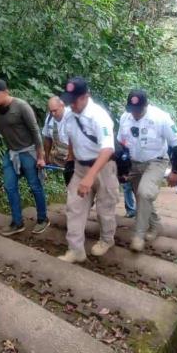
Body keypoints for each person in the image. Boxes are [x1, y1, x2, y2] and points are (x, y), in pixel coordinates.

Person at [57, 77, 119, 263]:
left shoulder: (99, 116)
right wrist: (71, 159)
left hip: (103, 168)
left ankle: (107, 239)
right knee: (74, 206)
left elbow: (108, 148)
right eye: (69, 100)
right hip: (80, 167)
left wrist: (90, 177)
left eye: (74, 100)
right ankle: (76, 249)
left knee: (104, 208)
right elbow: (71, 138)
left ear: (86, 97)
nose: (72, 105)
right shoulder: (69, 114)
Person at [117, 90, 177, 252]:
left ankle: (138, 236)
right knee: (142, 197)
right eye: (131, 109)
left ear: (146, 106)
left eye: (138, 109)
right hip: (134, 162)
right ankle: (155, 225)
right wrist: (122, 168)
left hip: (156, 161)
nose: (134, 113)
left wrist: (176, 171)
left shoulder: (161, 118)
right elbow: (121, 143)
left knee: (145, 193)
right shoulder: (125, 118)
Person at [0, 79, 49, 236]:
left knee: (35, 186)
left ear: (6, 92)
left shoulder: (21, 106)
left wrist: (40, 157)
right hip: (11, 153)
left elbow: (35, 131)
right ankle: (17, 222)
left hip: (29, 152)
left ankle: (43, 219)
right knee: (9, 186)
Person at [42, 96, 74, 185]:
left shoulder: (72, 117)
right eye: (51, 111)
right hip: (58, 154)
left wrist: (70, 161)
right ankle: (42, 182)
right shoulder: (50, 118)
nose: (53, 113)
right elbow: (47, 138)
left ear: (62, 106)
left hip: (74, 156)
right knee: (36, 157)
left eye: (55, 110)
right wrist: (47, 157)